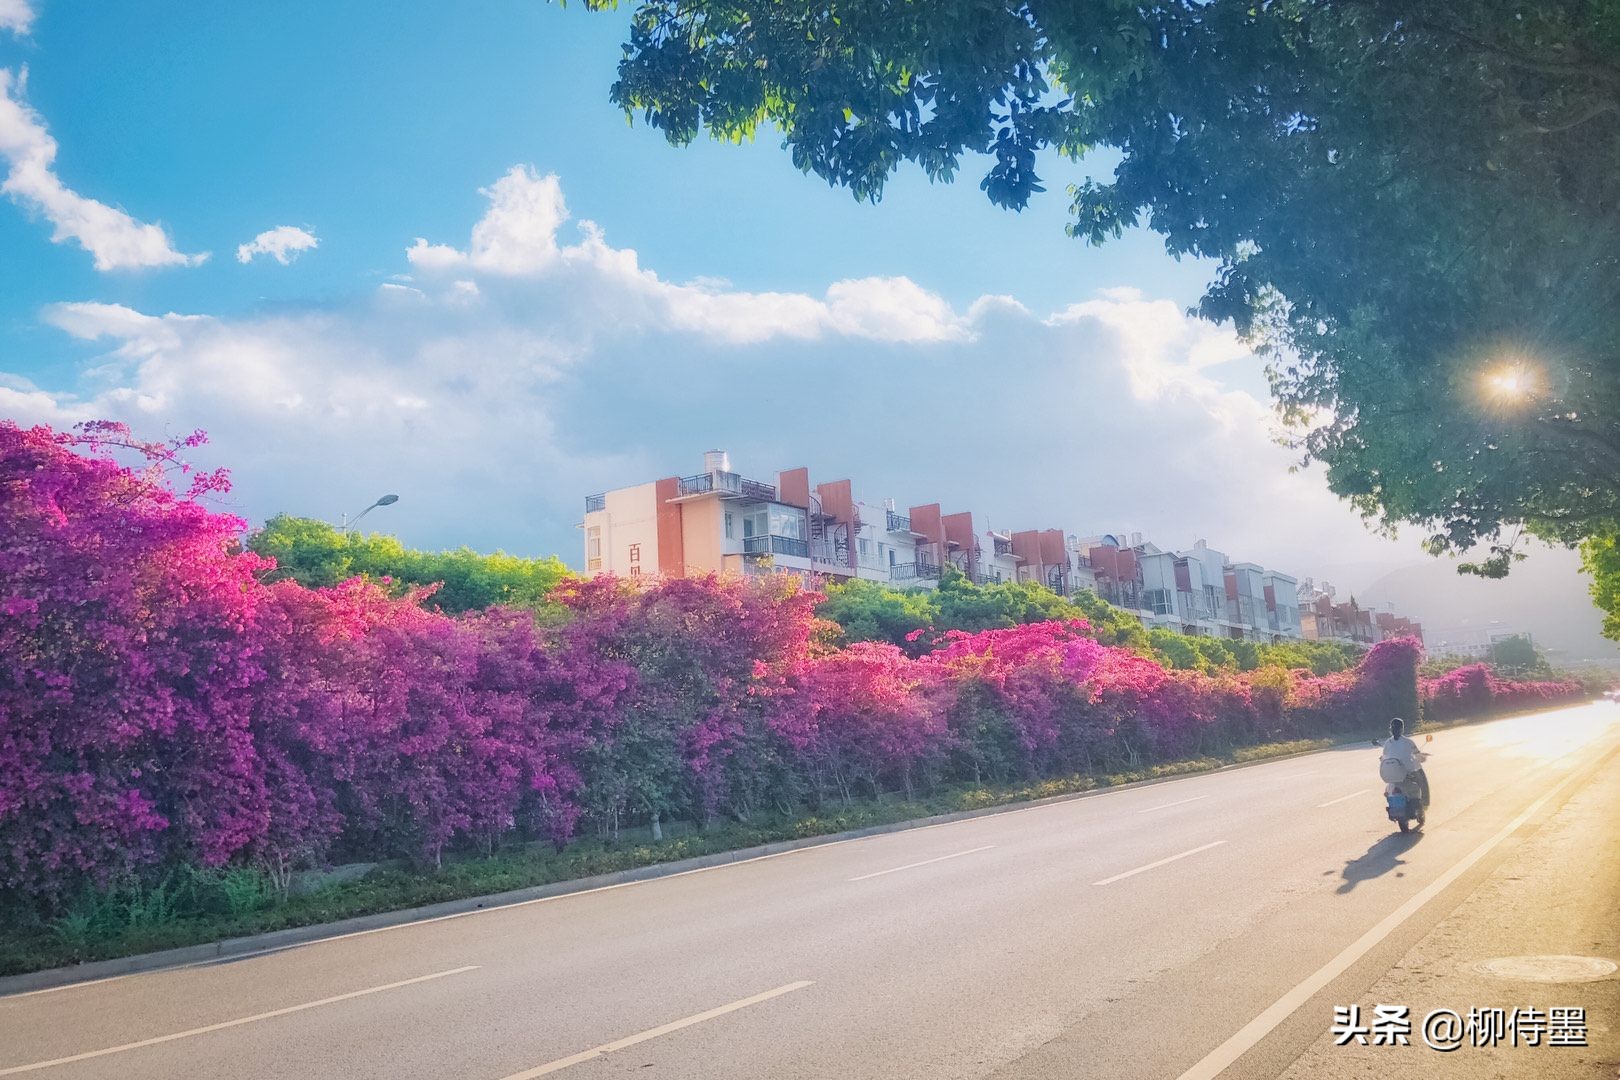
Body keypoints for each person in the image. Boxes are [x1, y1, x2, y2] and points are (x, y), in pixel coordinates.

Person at [1380, 716, 1429, 808]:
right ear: (1402, 729)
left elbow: (1384, 757)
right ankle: (1424, 803)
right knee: (1422, 779)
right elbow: (1417, 756)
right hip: (1408, 772)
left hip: (1393, 774)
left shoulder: (1387, 743)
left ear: (1390, 729)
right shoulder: (1408, 742)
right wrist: (1423, 757)